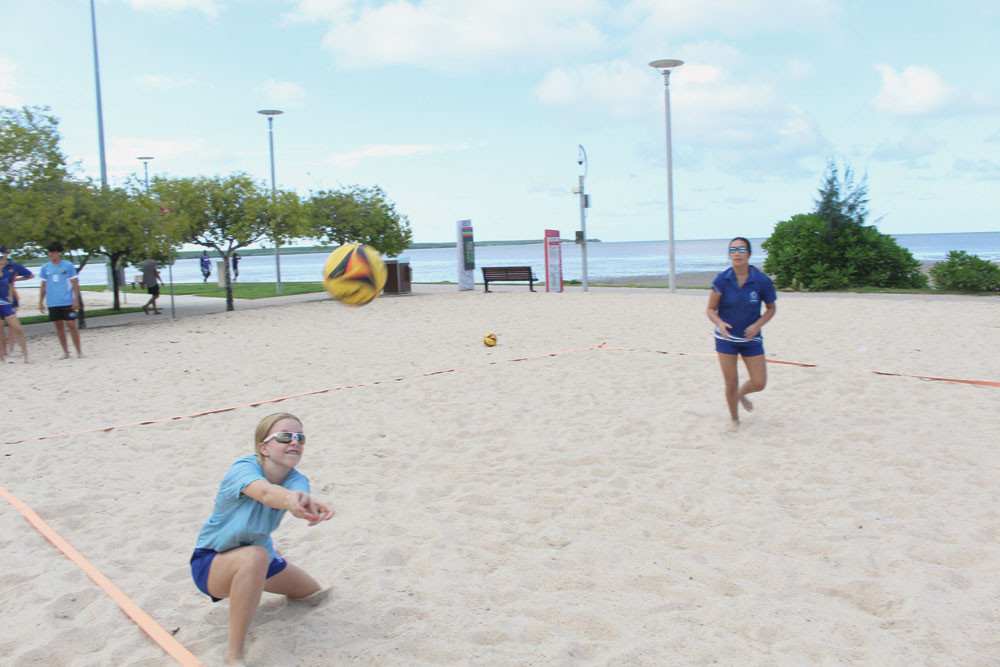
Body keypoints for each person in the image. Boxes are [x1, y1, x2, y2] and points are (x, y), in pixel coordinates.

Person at [191, 413, 333, 666]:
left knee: (311, 591)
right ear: (264, 447)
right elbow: (266, 493)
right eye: (284, 437)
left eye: (300, 438)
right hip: (211, 562)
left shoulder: (297, 478)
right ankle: (234, 655)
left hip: (257, 555)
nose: (294, 442)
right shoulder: (243, 469)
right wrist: (292, 501)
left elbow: (298, 495)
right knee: (256, 556)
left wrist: (308, 507)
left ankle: (250, 580)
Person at [706, 237, 777, 433]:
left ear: (749, 254)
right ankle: (734, 419)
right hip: (726, 339)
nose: (737, 253)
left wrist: (758, 324)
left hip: (751, 338)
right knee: (730, 381)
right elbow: (711, 309)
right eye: (733, 250)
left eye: (742, 249)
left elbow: (771, 308)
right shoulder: (722, 279)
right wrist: (719, 323)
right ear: (729, 254)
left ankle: (742, 393)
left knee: (759, 382)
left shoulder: (761, 280)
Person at [38, 241, 84, 359]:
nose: (50, 254)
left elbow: (74, 283)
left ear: (59, 253)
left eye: (53, 252)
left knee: (71, 324)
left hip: (67, 301)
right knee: (59, 327)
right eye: (49, 252)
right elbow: (43, 286)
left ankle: (79, 351)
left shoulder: (68, 265)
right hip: (53, 302)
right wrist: (41, 302)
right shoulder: (45, 267)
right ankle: (66, 352)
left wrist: (76, 300)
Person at [0, 245, 34, 356]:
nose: (3, 255)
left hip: (10, 296)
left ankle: (11, 349)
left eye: (4, 253)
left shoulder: (13, 266)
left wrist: (16, 280)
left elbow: (30, 275)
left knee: (13, 325)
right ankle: (3, 350)